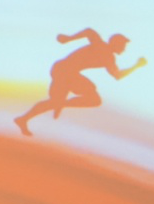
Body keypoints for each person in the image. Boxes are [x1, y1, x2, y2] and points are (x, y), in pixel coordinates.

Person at [13, 28, 146, 136]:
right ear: (116, 43)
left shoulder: (109, 59)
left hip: (68, 73)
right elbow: (89, 32)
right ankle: (45, 109)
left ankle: (25, 118)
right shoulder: (100, 46)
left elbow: (117, 75)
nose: (124, 49)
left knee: (90, 99)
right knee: (86, 99)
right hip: (64, 70)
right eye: (123, 45)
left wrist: (136, 66)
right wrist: (68, 38)